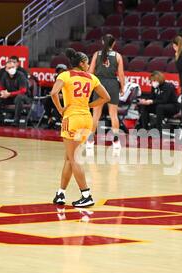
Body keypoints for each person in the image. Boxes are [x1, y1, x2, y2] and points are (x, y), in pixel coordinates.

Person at [50, 48, 110, 207]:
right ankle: (60, 193)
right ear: (82, 63)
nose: (89, 64)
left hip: (72, 119)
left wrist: (61, 110)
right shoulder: (92, 78)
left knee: (74, 158)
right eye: (87, 62)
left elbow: (53, 93)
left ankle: (86, 195)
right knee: (69, 158)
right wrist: (89, 105)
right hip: (86, 119)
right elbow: (106, 97)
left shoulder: (65, 75)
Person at [87, 34, 125, 149]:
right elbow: (121, 74)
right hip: (112, 84)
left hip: (99, 84)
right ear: (113, 44)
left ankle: (90, 140)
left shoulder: (96, 54)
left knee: (95, 115)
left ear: (103, 42)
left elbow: (90, 72)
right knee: (113, 115)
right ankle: (116, 141)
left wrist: (89, 86)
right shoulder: (117, 56)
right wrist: (122, 88)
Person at [0, 60, 30, 126]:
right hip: (8, 97)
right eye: (9, 68)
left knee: (19, 97)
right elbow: (0, 86)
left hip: (21, 97)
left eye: (13, 67)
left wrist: (10, 94)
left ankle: (16, 122)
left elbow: (23, 90)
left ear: (16, 67)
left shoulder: (21, 75)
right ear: (6, 69)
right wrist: (2, 92)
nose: (11, 69)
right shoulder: (5, 75)